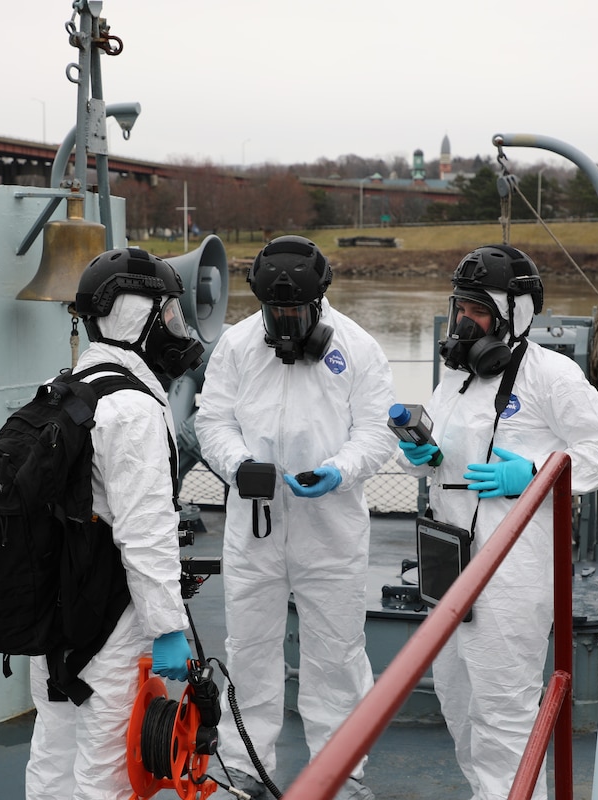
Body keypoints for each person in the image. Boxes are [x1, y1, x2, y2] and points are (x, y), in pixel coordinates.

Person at [397, 244, 598, 800]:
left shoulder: (553, 376)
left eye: (477, 308)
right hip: (450, 560)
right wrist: (426, 457)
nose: (462, 320)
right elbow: (451, 449)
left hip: (512, 568)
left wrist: (536, 474)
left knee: (505, 709)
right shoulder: (456, 378)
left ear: (515, 312)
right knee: (456, 698)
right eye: (460, 306)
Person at [195, 235, 396, 800]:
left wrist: (341, 468)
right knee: (249, 649)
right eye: (274, 311)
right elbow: (211, 421)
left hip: (330, 531)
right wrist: (239, 466)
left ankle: (341, 775)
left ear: (318, 301)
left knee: (335, 654)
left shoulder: (358, 349)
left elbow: (377, 432)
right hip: (254, 529)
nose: (284, 323)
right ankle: (245, 768)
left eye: (294, 312)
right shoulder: (238, 344)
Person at [25, 247, 204, 800]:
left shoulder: (66, 387)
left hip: (54, 612)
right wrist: (168, 627)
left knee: (52, 753)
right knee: (108, 769)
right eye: (168, 313)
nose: (177, 327)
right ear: (135, 314)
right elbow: (144, 532)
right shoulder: (134, 409)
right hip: (109, 617)